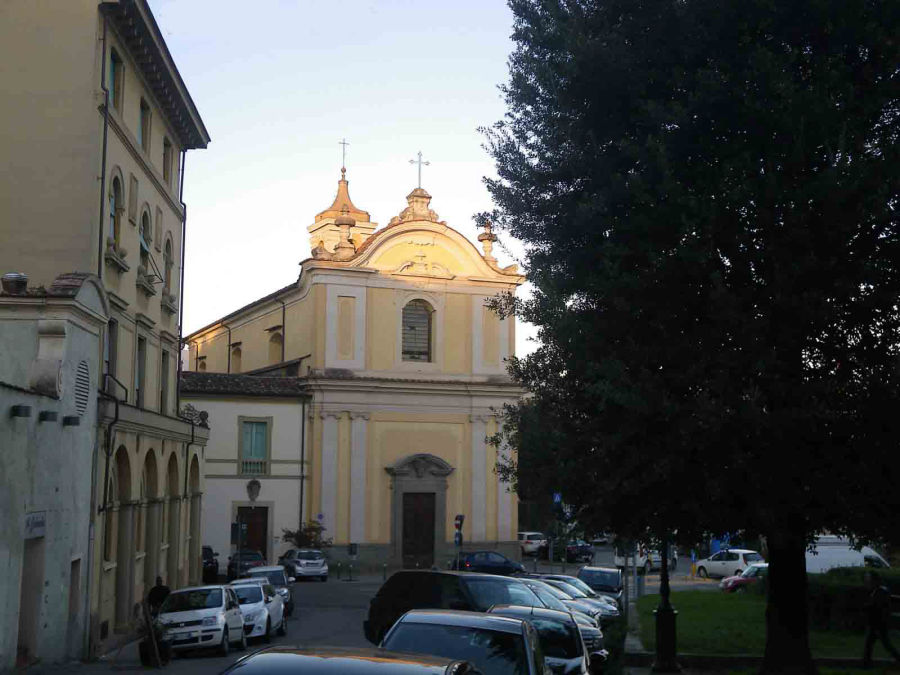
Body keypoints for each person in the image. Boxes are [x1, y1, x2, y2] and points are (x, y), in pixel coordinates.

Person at [863, 571, 900, 668]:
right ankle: (866, 663)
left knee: (882, 644)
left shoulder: (881, 591)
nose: (867, 582)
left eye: (868, 579)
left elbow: (879, 607)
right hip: (876, 623)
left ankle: (866, 664)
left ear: (874, 581)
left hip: (879, 624)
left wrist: (868, 607)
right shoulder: (876, 591)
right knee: (871, 644)